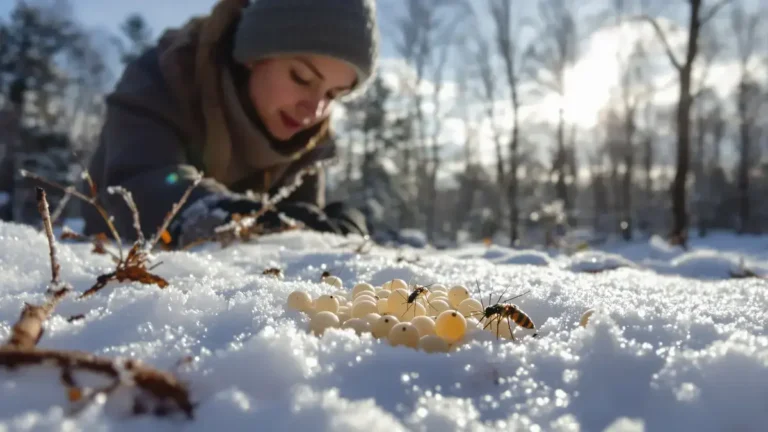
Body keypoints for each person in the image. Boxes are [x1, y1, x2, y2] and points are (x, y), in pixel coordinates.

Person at [79, 0, 377, 248]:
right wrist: (234, 215)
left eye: (333, 95)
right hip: (109, 260)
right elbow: (140, 183)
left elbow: (297, 225)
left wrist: (338, 227)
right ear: (254, 55)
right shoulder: (163, 76)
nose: (314, 109)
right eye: (301, 77)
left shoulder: (311, 138)